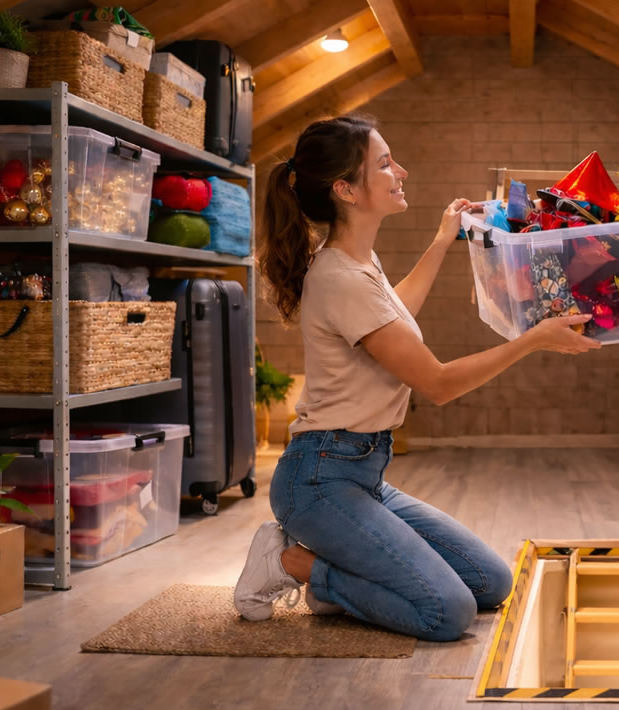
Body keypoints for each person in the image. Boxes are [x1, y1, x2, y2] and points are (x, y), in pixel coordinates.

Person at [233, 114, 600, 641]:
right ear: (345, 190)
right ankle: (293, 563)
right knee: (446, 612)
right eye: (384, 164)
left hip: (362, 474)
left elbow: (393, 319)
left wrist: (443, 238)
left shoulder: (358, 263)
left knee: (489, 582)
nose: (400, 170)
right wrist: (534, 340)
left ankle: (343, 569)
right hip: (319, 480)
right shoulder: (341, 278)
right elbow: (438, 383)